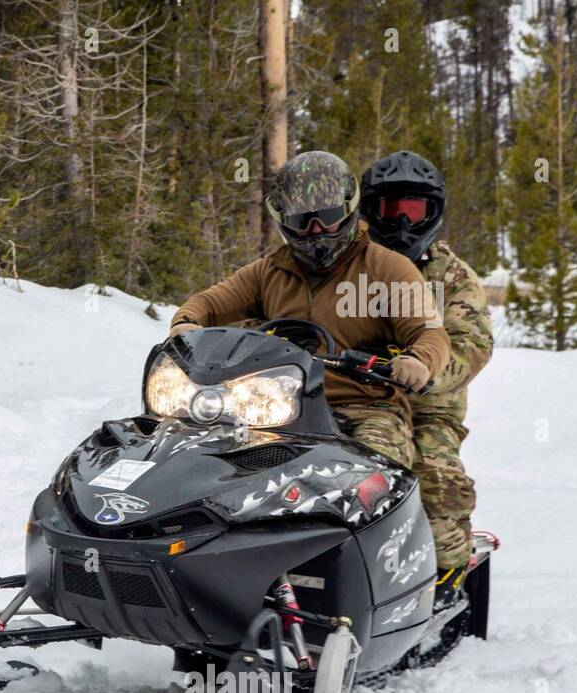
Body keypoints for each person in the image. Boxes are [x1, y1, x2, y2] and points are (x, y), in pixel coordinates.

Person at [168, 150, 451, 475]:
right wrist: (185, 326)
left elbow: (430, 332)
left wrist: (419, 361)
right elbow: (210, 303)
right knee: (211, 468)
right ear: (283, 220)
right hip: (274, 407)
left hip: (365, 409)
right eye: (303, 221)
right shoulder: (268, 272)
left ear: (348, 209)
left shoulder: (388, 267)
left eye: (327, 217)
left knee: (366, 475)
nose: (316, 231)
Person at [361, 150, 493, 607]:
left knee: (435, 485)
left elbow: (472, 346)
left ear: (433, 213)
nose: (400, 222)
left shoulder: (453, 277)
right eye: (389, 209)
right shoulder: (346, 263)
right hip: (350, 398)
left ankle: (447, 577)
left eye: (412, 211)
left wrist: (424, 369)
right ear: (368, 211)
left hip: (426, 410)